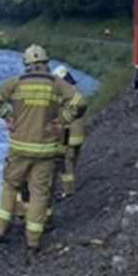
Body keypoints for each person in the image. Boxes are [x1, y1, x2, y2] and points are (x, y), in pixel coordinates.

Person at [0, 45, 86, 255]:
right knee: (40, 193)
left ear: (27, 65)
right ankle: (33, 242)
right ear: (46, 64)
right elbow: (81, 102)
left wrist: (7, 116)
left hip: (19, 148)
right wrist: (63, 120)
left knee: (10, 185)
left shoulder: (16, 82)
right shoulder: (58, 84)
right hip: (46, 150)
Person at [52, 65, 84, 198]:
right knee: (73, 159)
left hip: (69, 131)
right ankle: (70, 187)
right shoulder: (77, 90)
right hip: (79, 132)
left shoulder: (65, 93)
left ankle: (68, 190)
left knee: (67, 161)